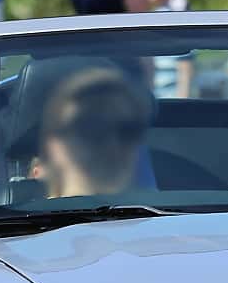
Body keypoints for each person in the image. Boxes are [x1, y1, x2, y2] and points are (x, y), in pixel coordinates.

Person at [34, 69, 149, 200]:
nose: (112, 143)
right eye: (91, 128)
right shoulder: (24, 219)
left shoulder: (167, 216)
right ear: (55, 145)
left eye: (127, 130)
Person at [143, 0, 195, 99]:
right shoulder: (155, 13)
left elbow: (185, 63)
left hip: (170, 101)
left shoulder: (176, 13)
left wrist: (182, 102)